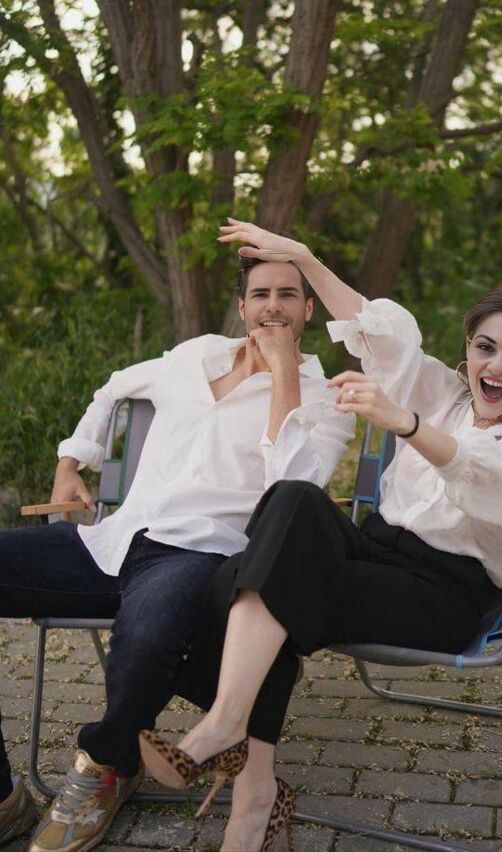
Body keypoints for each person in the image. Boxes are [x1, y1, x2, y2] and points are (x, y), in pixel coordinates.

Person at [139, 219, 502, 852]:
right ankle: (239, 753)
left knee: (249, 581)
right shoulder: (442, 391)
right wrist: (307, 260)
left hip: (445, 592)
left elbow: (486, 475)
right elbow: (380, 333)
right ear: (468, 350)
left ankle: (246, 783)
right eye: (485, 347)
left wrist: (407, 423)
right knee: (292, 501)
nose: (496, 366)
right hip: (375, 550)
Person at [0, 254, 354, 852]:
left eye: (287, 295)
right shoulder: (194, 356)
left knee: (147, 640)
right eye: (260, 294)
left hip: (197, 555)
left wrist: (284, 377)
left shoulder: (326, 400)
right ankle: (6, 802)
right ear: (241, 306)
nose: (272, 306)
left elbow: (291, 492)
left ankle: (107, 767)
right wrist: (70, 461)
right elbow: (114, 386)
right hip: (113, 540)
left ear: (308, 309)